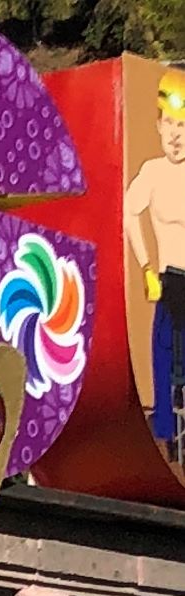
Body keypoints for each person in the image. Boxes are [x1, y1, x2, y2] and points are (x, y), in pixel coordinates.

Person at [124, 67, 185, 460]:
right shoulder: (153, 172)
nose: (175, 134)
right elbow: (130, 213)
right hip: (171, 280)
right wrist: (147, 267)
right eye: (169, 124)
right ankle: (169, 437)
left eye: (183, 124)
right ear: (158, 125)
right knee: (167, 363)